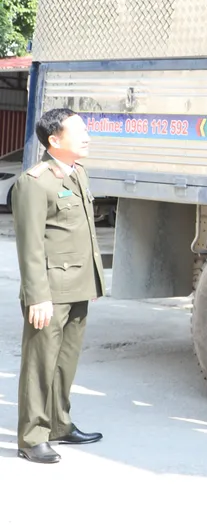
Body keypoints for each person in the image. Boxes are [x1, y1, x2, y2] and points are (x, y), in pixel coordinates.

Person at [13, 108, 105, 464]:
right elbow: (31, 245)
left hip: (77, 285)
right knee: (40, 364)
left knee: (65, 363)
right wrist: (38, 297)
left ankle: (59, 425)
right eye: (79, 130)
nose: (87, 135)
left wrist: (91, 281)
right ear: (54, 140)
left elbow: (82, 234)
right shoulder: (35, 182)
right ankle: (32, 436)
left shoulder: (77, 173)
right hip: (49, 291)